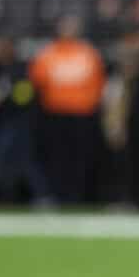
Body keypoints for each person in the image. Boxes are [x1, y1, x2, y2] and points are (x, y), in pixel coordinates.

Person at [29, 15, 106, 203]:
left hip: (82, 114)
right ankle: (56, 193)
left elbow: (98, 83)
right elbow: (37, 81)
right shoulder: (48, 53)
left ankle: (77, 195)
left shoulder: (87, 53)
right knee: (57, 156)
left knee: (79, 157)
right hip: (55, 113)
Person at [0, 35, 51, 204]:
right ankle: (42, 195)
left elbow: (23, 97)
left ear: (11, 49)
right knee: (19, 160)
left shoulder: (19, 70)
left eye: (2, 48)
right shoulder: (3, 70)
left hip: (20, 122)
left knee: (6, 158)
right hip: (9, 121)